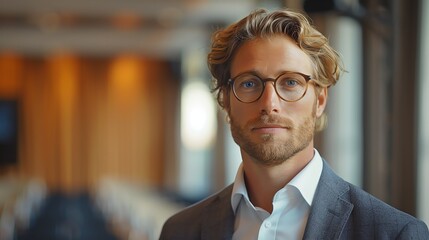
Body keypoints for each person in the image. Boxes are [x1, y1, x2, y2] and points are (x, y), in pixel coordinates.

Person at [159, 8, 429, 240]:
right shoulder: (181, 231)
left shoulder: (393, 233)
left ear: (320, 100)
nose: (269, 103)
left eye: (290, 83)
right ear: (226, 101)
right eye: (249, 83)